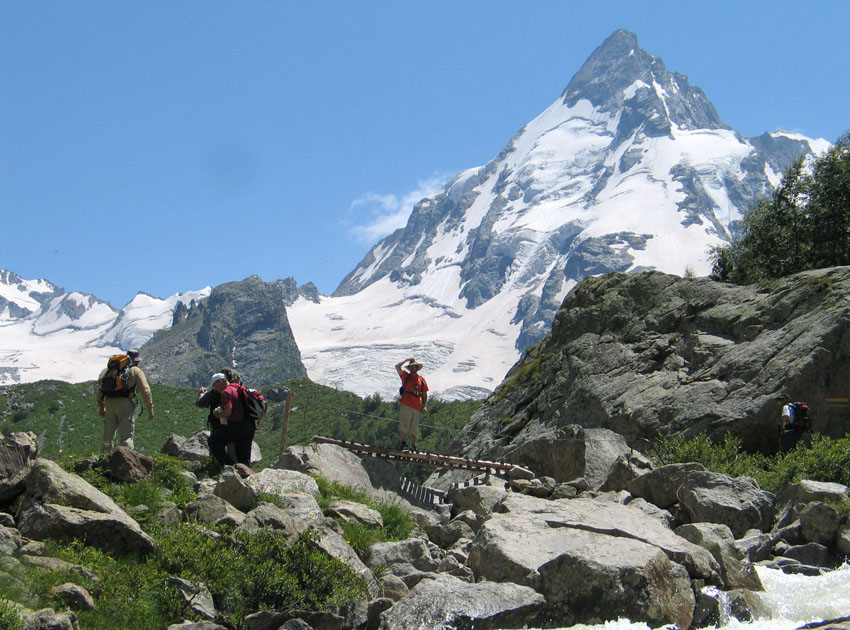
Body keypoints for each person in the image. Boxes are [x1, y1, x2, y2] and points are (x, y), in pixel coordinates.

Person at [97, 348, 154, 451]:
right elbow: (146, 390)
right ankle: (127, 461)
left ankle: (103, 461)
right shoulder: (135, 371)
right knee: (126, 437)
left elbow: (100, 390)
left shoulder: (107, 371)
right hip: (125, 404)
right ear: (136, 360)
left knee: (108, 438)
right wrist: (150, 409)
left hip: (109, 404)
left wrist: (101, 407)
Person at [206, 372, 254, 477]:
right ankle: (248, 480)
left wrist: (217, 414)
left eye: (215, 385)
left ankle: (231, 467)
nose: (215, 389)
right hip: (250, 425)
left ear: (221, 381)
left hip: (237, 426)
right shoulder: (238, 387)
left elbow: (228, 412)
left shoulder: (226, 392)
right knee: (244, 455)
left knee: (213, 441)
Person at [196, 368, 241, 460]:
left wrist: (202, 395)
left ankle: (225, 467)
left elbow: (200, 403)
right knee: (236, 454)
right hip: (239, 425)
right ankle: (238, 468)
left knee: (215, 445)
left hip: (220, 425)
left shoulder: (217, 392)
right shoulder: (237, 389)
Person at [395, 357, 428, 451]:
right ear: (409, 368)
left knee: (414, 427)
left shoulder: (421, 380)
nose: (413, 368)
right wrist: (406, 360)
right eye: (411, 367)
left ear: (417, 368)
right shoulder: (405, 376)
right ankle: (402, 443)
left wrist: (425, 406)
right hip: (406, 403)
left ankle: (413, 445)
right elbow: (397, 367)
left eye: (414, 366)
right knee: (404, 424)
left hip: (417, 406)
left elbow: (424, 393)